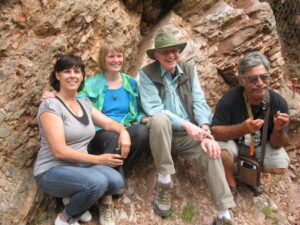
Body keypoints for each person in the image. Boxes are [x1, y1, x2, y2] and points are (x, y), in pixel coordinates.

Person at [41, 43, 150, 225]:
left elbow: (130, 112)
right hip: (90, 141)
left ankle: (101, 186)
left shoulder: (129, 83)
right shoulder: (86, 87)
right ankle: (94, 205)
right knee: (108, 148)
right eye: (110, 56)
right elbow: (68, 96)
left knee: (139, 133)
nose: (116, 60)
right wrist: (52, 94)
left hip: (115, 132)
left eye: (119, 56)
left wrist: (127, 128)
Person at [139, 32, 235, 225]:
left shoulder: (189, 70)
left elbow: (199, 101)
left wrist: (205, 130)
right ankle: (165, 181)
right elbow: (155, 108)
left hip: (188, 135)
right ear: (156, 55)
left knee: (212, 151)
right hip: (162, 135)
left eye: (174, 50)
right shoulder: (147, 74)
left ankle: (224, 213)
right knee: (158, 119)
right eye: (165, 52)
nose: (171, 55)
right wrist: (187, 125)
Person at [34, 55, 128, 225]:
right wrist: (99, 159)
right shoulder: (51, 106)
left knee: (116, 181)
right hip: (51, 169)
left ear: (82, 76)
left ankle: (74, 198)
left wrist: (123, 131)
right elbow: (59, 151)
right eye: (66, 71)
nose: (73, 75)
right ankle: (65, 219)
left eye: (77, 71)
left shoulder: (84, 103)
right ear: (58, 76)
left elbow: (107, 123)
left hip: (80, 167)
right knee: (97, 182)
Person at [211, 51, 290, 196]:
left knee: (280, 164)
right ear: (242, 81)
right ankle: (231, 184)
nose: (259, 83)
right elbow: (215, 132)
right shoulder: (230, 98)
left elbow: (278, 144)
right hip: (233, 143)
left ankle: (250, 178)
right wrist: (242, 129)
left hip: (259, 145)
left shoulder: (278, 102)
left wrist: (279, 129)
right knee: (220, 153)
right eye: (253, 79)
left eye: (264, 77)